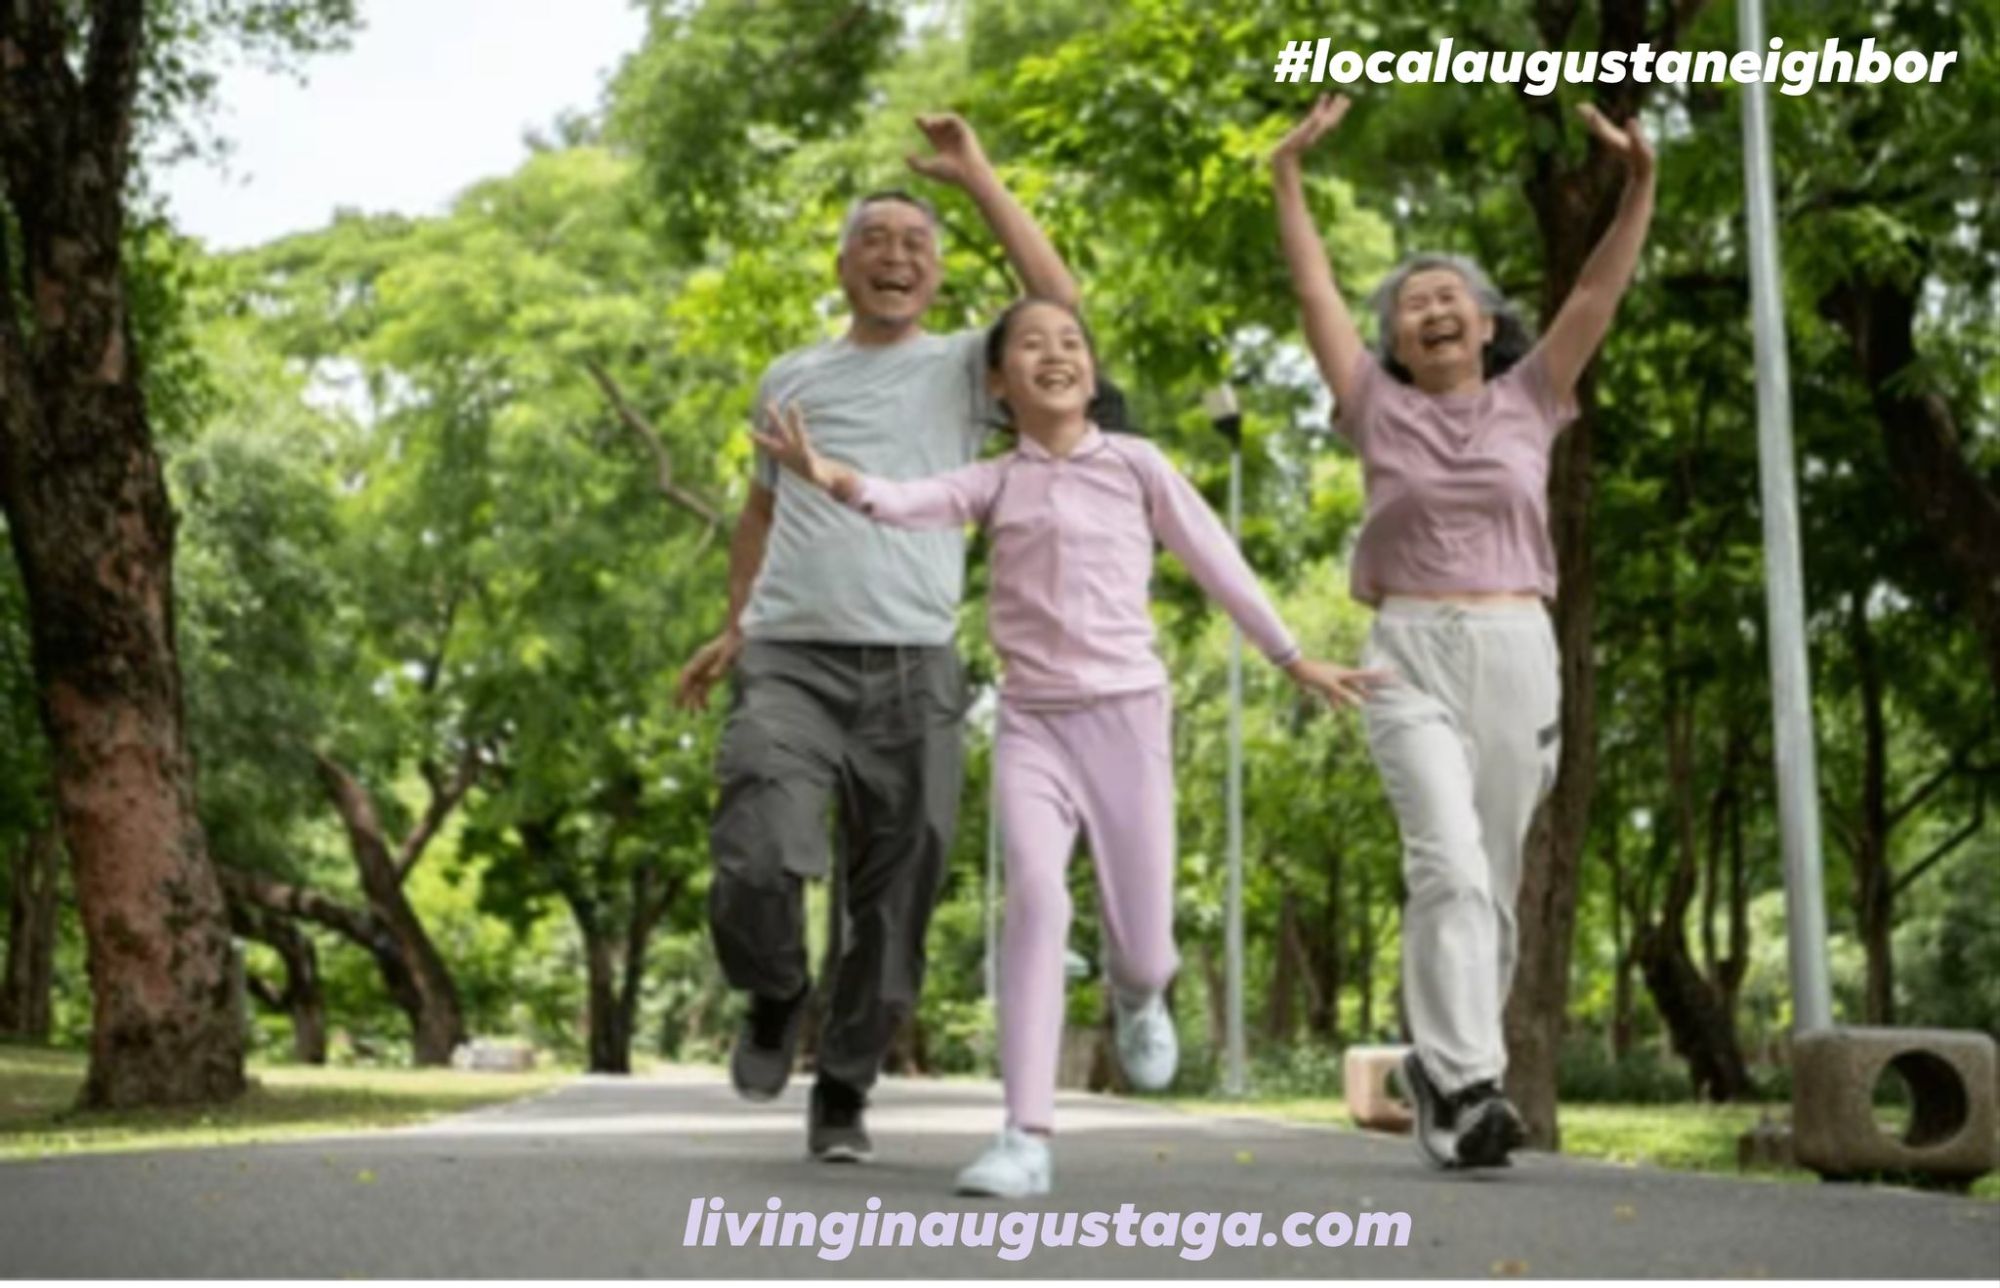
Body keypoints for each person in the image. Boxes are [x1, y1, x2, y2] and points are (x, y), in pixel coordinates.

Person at [754, 295, 1388, 1197]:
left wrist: (1292, 657)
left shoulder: (1137, 465)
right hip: (1032, 726)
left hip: (1128, 719)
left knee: (1144, 946)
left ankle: (1138, 994)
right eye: (1031, 345)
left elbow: (1216, 560)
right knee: (1037, 902)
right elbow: (903, 501)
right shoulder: (991, 479)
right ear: (999, 382)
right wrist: (827, 473)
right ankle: (1025, 1137)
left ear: (1091, 372)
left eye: (1072, 343)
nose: (1056, 354)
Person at [673, 113, 1078, 1165]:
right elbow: (761, 513)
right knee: (759, 849)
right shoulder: (788, 377)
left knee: (893, 901)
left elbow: (1057, 303)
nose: (896, 257)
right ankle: (772, 992)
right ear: (842, 262)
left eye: (917, 245)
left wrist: (976, 174)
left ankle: (843, 1089)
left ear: (938, 277)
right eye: (876, 241)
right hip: (789, 659)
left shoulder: (962, 371)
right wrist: (731, 628)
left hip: (913, 669)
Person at [1270, 93, 1655, 1169]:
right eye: (1410, 303)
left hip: (1514, 649)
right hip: (1405, 648)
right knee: (1442, 859)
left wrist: (1640, 184)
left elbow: (1596, 287)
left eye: (1452, 298)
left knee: (1489, 879)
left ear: (1486, 325)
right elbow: (1309, 288)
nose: (1431, 308)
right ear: (1392, 339)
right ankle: (1470, 1078)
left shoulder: (1533, 395)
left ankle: (1442, 1078)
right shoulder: (1371, 404)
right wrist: (1286, 176)